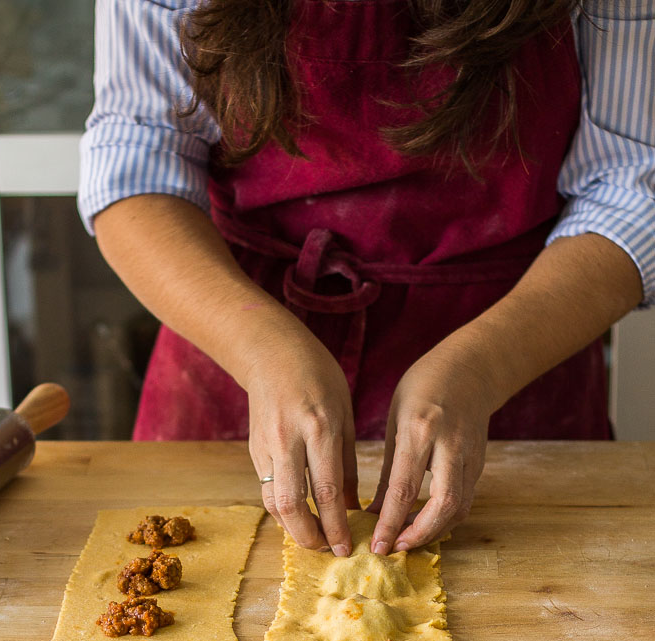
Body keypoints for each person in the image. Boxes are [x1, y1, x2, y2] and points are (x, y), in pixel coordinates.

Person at [80, 0, 653, 560]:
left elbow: (631, 189)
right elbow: (137, 160)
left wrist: (484, 367)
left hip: (518, 336)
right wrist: (258, 349)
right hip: (233, 323)